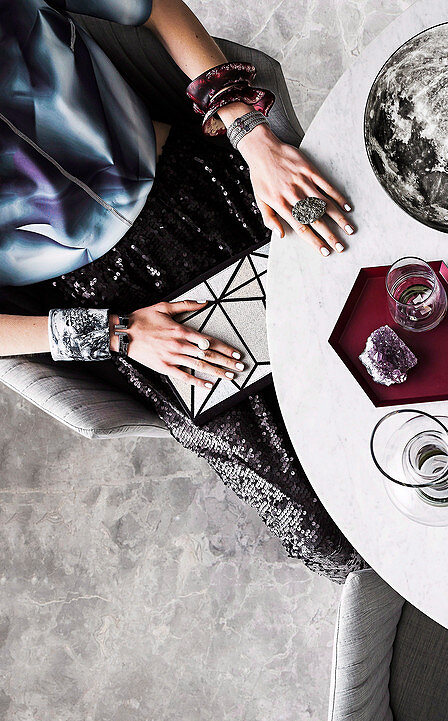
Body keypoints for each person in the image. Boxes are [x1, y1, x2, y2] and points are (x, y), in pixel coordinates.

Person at [0, 0, 367, 581]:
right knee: (314, 508)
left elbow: (155, 6)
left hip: (193, 184)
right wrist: (114, 334)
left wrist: (249, 133)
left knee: (381, 339)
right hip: (116, 304)